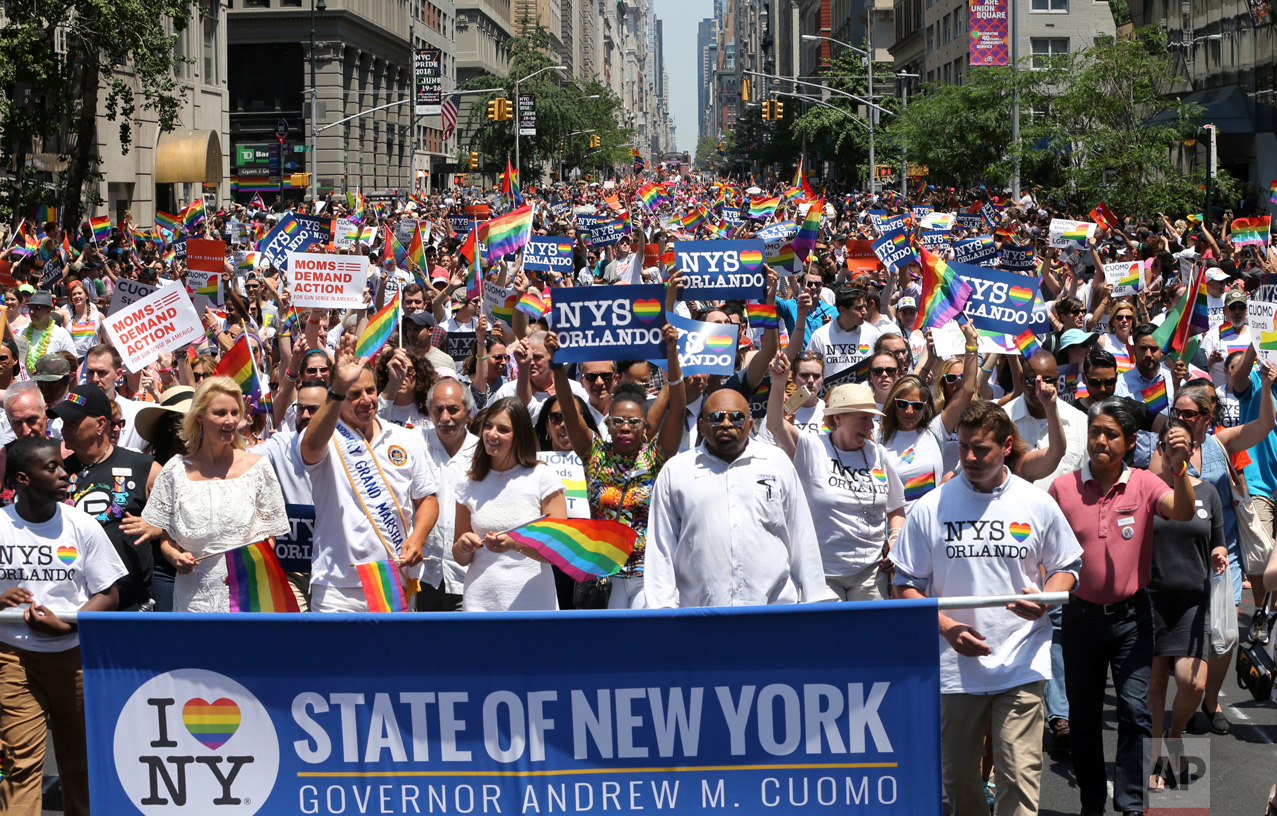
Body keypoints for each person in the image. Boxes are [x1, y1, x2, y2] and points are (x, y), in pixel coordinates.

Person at [892, 401, 1082, 816]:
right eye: (963, 448)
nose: (971, 458)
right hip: (955, 670)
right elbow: (904, 584)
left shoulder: (1036, 503)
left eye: (981, 449)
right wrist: (946, 628)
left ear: (1007, 446)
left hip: (1022, 661)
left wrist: (1046, 598)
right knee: (959, 782)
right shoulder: (931, 506)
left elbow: (1067, 565)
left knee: (1018, 774)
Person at [1048, 398, 1197, 816]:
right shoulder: (1063, 488)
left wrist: (1180, 465)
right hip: (1078, 621)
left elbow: (1183, 511)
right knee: (1084, 719)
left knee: (1135, 714)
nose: (1100, 440)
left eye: (1111, 434)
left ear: (1131, 441)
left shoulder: (1146, 484)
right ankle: (1092, 804)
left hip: (1132, 620)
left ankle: (1132, 805)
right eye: (1095, 431)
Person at [0, 437, 126, 816]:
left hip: (74, 657)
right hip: (12, 659)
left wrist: (70, 627)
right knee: (21, 764)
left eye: (61, 465)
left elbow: (109, 593)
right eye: (51, 467)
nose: (63, 474)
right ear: (23, 478)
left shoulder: (82, 525)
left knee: (82, 765)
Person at [1159, 373, 1276, 732]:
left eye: (1189, 414)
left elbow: (1265, 424)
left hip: (1227, 552)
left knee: (1226, 636)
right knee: (1186, 634)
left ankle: (1211, 702)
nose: (1180, 420)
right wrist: (1171, 459)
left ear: (1208, 418)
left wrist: (1268, 387)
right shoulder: (1164, 448)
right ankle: (1184, 707)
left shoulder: (1220, 443)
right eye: (1176, 413)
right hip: (1182, 556)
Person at [644, 387, 825, 607]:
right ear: (702, 425)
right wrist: (663, 611)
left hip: (774, 614)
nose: (727, 424)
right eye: (716, 417)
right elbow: (661, 546)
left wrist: (815, 602)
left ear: (750, 425)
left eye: (737, 418)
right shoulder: (676, 471)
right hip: (701, 617)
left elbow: (802, 534)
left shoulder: (777, 463)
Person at [548, 324, 685, 608]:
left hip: (647, 574)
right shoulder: (593, 453)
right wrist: (557, 365)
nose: (625, 426)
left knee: (644, 641)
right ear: (607, 426)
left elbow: (678, 407)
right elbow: (569, 409)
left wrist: (672, 355)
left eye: (634, 421)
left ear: (645, 426)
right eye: (618, 421)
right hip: (603, 577)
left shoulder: (656, 456)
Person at [300, 334, 439, 612]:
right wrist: (338, 387)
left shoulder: (406, 438)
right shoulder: (325, 436)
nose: (366, 400)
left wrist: (417, 538)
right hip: (337, 585)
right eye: (354, 394)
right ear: (338, 397)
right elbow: (311, 446)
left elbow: (427, 499)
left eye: (371, 391)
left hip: (393, 578)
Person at [142, 377, 291, 612]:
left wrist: (246, 571)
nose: (230, 420)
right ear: (199, 417)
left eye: (234, 412)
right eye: (220, 413)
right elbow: (166, 540)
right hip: (193, 600)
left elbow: (269, 537)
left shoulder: (258, 467)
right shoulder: (174, 470)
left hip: (248, 596)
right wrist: (175, 558)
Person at [767, 358, 904, 601]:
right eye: (862, 417)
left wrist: (894, 539)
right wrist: (778, 383)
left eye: (871, 418)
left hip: (871, 574)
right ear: (838, 418)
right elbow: (776, 425)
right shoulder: (812, 448)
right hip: (822, 574)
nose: (869, 425)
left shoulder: (879, 455)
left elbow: (896, 510)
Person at [1144, 420, 1227, 791]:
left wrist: (1220, 552)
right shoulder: (1149, 491)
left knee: (1191, 681)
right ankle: (1156, 758)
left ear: (1194, 450)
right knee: (1156, 684)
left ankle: (1176, 733)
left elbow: (1218, 540)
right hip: (1149, 599)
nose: (1175, 452)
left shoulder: (1208, 493)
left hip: (1193, 600)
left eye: (1184, 447)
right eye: (1168, 446)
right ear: (1160, 450)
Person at [452, 397, 567, 611]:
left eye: (503, 429)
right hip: (480, 603)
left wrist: (517, 545)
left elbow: (558, 550)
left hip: (533, 603)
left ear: (520, 436)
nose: (492, 434)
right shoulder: (468, 483)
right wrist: (463, 545)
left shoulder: (543, 477)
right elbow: (460, 558)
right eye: (488, 426)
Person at [54, 384, 161, 612]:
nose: (64, 429)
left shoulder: (143, 467)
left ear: (101, 424)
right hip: (74, 608)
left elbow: (182, 523)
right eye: (64, 422)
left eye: (73, 422)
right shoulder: (58, 473)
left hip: (132, 606)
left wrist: (157, 527)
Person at [248, 379, 327, 611]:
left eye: (313, 409)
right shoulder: (279, 444)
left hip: (333, 572)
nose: (305, 415)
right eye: (300, 408)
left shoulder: (350, 448)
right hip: (291, 569)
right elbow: (240, 463)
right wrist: (235, 434)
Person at [418, 379, 480, 612]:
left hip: (467, 575)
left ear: (469, 412)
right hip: (422, 575)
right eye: (438, 410)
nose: (445, 417)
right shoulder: (414, 445)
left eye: (453, 409)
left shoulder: (483, 453)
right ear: (429, 412)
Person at [804, 285, 882, 386]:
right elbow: (809, 368)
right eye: (859, 308)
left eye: (865, 306)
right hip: (831, 398)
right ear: (842, 310)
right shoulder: (820, 336)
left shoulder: (874, 334)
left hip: (864, 398)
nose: (864, 312)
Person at [82, 344, 146, 450]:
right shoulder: (72, 412)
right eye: (90, 372)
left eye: (102, 372)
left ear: (118, 374)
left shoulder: (137, 413)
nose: (94, 378)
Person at [14, 291, 73, 379]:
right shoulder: (22, 332)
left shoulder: (60, 334)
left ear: (49, 311)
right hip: (25, 386)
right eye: (30, 308)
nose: (32, 312)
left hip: (50, 386)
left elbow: (72, 362)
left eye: (37, 308)